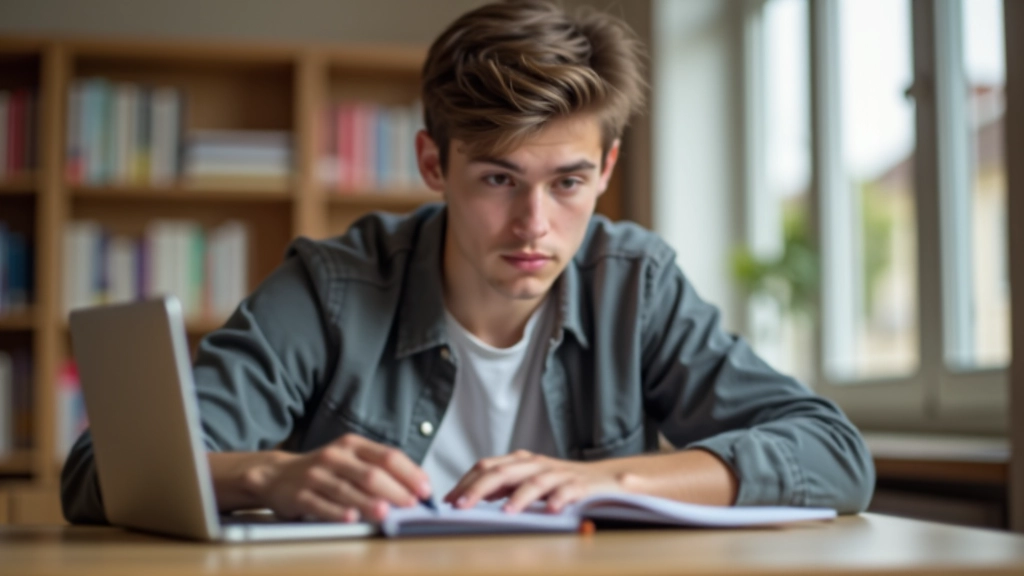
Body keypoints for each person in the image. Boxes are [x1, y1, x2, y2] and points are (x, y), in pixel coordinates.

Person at [62, 0, 874, 525]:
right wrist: (270, 475)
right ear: (432, 163)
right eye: (496, 179)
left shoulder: (636, 281)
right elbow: (100, 474)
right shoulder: (332, 287)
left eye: (568, 183)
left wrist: (611, 481)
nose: (534, 225)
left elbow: (834, 455)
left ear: (607, 171)